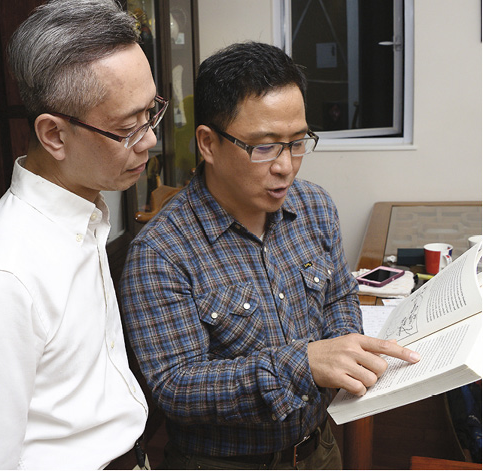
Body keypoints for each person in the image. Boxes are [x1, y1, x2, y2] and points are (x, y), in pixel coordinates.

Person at [119, 41, 420, 470]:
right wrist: (304, 365)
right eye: (264, 147)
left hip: (318, 449)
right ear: (208, 143)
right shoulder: (161, 253)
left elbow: (338, 297)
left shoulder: (314, 206)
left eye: (297, 143)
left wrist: (346, 353)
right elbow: (176, 387)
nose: (286, 166)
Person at [0, 0, 168, 468]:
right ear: (54, 135)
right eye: (127, 128)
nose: (151, 140)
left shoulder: (84, 220)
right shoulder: (0, 280)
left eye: (151, 113)